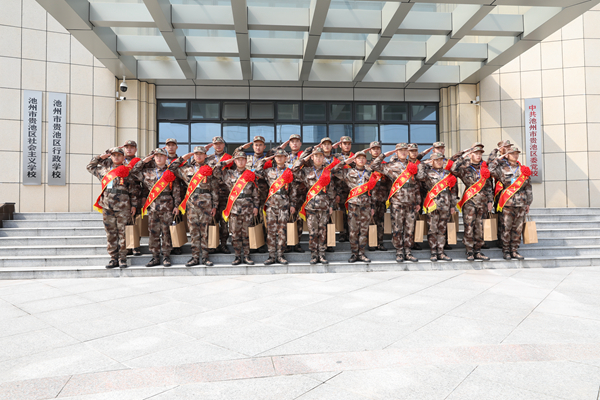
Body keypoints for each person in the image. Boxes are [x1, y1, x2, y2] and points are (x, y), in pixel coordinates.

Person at [87, 147, 140, 269]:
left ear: (123, 157)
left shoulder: (128, 171)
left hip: (124, 207)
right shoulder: (104, 170)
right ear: (111, 157)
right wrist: (101, 157)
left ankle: (122, 258)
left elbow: (133, 190)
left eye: (119, 155)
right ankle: (113, 258)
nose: (116, 157)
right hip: (107, 206)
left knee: (123, 233)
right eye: (114, 155)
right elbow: (90, 167)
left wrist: (134, 205)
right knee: (111, 233)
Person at [169, 146, 218, 267]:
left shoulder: (210, 169)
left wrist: (215, 206)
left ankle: (206, 257)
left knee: (205, 232)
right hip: (191, 205)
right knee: (194, 232)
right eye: (196, 154)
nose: (199, 156)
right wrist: (183, 157)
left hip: (206, 205)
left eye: (201, 154)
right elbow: (171, 168)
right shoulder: (186, 169)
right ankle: (195, 257)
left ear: (206, 155)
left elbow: (214, 189)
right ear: (193, 155)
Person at [371, 143, 421, 263]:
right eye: (400, 150)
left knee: (409, 228)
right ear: (396, 152)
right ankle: (399, 252)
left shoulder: (413, 166)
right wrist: (383, 155)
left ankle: (408, 251)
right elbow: (374, 165)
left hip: (411, 203)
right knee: (397, 228)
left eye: (405, 150)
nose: (403, 152)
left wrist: (418, 201)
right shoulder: (391, 166)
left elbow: (416, 185)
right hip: (397, 202)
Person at [132, 149, 182, 267]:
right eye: (157, 156)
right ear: (153, 158)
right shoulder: (148, 172)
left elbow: (176, 190)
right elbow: (134, 171)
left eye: (161, 156)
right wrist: (144, 161)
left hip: (167, 206)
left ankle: (166, 256)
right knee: (153, 233)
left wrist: (176, 205)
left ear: (166, 158)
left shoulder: (171, 172)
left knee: (166, 232)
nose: (159, 158)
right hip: (153, 207)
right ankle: (155, 257)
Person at [213, 151, 259, 265]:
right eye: (238, 159)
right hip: (234, 208)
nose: (240, 161)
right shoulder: (229, 174)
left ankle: (247, 256)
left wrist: (256, 206)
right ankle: (238, 256)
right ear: (235, 161)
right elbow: (215, 171)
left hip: (248, 208)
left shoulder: (251, 174)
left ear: (246, 161)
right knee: (235, 234)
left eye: (243, 159)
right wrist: (226, 162)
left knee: (247, 233)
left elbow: (256, 193)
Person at [292, 146, 336, 265]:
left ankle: (322, 254)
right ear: (312, 157)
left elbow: (331, 190)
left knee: (322, 231)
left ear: (323, 158)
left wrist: (331, 205)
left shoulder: (327, 172)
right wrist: (304, 158)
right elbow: (294, 170)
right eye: (316, 156)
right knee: (312, 232)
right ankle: (313, 255)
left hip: (324, 206)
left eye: (320, 156)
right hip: (311, 206)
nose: (318, 158)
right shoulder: (307, 171)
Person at [451, 143, 494, 261]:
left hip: (483, 202)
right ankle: (469, 251)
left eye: (480, 153)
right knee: (469, 226)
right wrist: (463, 155)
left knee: (480, 227)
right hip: (470, 202)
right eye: (476, 153)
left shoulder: (484, 167)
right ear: (471, 154)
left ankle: (478, 251)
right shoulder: (465, 167)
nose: (479, 155)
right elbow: (453, 169)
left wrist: (490, 200)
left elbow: (489, 185)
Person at [331, 150, 376, 263]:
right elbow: (333, 171)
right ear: (354, 160)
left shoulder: (370, 173)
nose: (361, 160)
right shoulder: (348, 172)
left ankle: (362, 253)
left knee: (364, 230)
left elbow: (373, 191)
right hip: (353, 205)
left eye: (363, 158)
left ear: (366, 160)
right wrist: (346, 161)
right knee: (353, 230)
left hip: (366, 204)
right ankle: (354, 253)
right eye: (358, 158)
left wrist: (373, 207)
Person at [489, 147, 533, 260]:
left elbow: (528, 187)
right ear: (507, 155)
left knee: (517, 229)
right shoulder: (502, 168)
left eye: (516, 154)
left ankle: (514, 250)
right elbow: (490, 169)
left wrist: (528, 202)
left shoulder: (523, 169)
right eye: (512, 153)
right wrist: (499, 158)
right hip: (507, 203)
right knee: (506, 228)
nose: (515, 155)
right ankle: (506, 251)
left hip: (521, 203)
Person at [416, 153, 458, 262]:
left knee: (442, 230)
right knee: (432, 229)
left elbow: (453, 191)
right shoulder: (428, 173)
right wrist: (424, 164)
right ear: (432, 161)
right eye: (436, 160)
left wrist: (453, 205)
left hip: (446, 205)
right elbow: (419, 177)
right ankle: (433, 252)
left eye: (441, 160)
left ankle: (441, 252)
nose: (439, 162)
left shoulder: (448, 174)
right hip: (433, 205)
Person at [255, 149, 295, 265]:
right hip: (271, 205)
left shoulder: (289, 171)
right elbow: (257, 172)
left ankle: (280, 255)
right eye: (277, 156)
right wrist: (264, 160)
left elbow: (293, 190)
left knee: (282, 231)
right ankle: (271, 256)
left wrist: (292, 204)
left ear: (285, 158)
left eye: (282, 156)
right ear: (274, 158)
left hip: (284, 205)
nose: (279, 158)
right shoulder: (268, 171)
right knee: (271, 232)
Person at [206, 137, 233, 254]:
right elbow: (196, 166)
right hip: (211, 193)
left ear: (224, 145)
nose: (218, 146)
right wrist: (205, 150)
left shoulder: (230, 158)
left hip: (225, 193)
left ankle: (223, 244)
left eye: (220, 144)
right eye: (215, 144)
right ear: (212, 145)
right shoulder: (208, 158)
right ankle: (213, 245)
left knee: (224, 221)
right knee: (212, 220)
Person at [281, 133, 305, 253]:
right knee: (285, 218)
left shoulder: (304, 157)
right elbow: (273, 153)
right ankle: (286, 244)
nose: (294, 143)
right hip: (286, 191)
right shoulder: (284, 156)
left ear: (300, 144)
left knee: (298, 219)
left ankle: (296, 243)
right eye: (292, 141)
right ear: (289, 144)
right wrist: (282, 146)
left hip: (300, 191)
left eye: (297, 141)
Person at [488, 140, 514, 248]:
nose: (508, 148)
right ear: (500, 148)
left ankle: (510, 241)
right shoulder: (498, 159)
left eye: (509, 146)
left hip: (512, 192)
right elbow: (489, 164)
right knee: (500, 216)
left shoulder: (511, 159)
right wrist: (496, 152)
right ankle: (500, 239)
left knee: (509, 219)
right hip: (500, 191)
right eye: (505, 146)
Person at [367, 141, 391, 251]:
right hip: (370, 197)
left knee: (380, 221)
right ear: (370, 150)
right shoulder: (366, 164)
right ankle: (371, 242)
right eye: (373, 149)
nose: (376, 150)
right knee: (370, 221)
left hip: (382, 197)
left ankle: (380, 243)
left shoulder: (385, 165)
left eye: (378, 148)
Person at [122, 140, 143, 256]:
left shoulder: (139, 162)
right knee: (123, 222)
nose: (129, 149)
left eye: (132, 147)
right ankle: (126, 246)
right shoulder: (118, 161)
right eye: (126, 147)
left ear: (136, 149)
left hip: (136, 194)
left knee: (135, 222)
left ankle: (135, 246)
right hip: (121, 196)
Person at [333, 136, 355, 242]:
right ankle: (342, 234)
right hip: (339, 190)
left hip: (352, 189)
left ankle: (351, 233)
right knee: (341, 212)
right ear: (340, 145)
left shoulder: (355, 157)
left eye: (348, 144)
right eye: (344, 144)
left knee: (351, 213)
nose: (347, 145)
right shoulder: (336, 157)